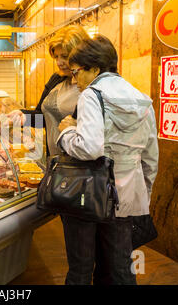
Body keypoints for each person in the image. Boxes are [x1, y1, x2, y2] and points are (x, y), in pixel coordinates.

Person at [56, 35, 159, 285]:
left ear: (95, 68)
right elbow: (150, 157)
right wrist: (141, 196)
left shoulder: (92, 95)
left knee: (81, 268)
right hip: (124, 197)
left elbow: (90, 148)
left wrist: (66, 132)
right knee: (120, 266)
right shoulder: (142, 98)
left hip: (87, 193)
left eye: (77, 72)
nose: (74, 79)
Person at [7, 25, 90, 156]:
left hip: (78, 165)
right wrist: (24, 116)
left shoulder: (91, 86)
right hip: (55, 160)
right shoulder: (57, 79)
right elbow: (43, 116)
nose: (59, 62)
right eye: (56, 56)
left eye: (65, 56)